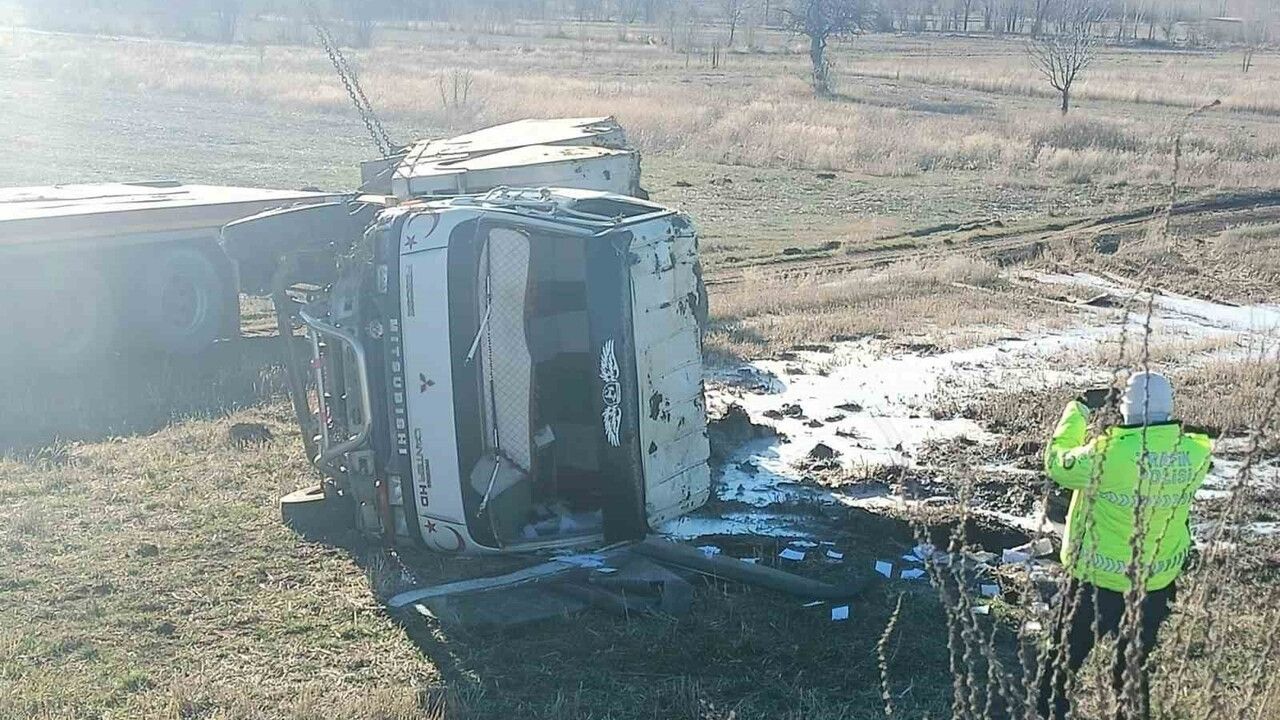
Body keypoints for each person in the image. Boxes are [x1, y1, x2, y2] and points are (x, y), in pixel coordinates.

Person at [1036, 371, 1213, 720]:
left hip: (1095, 582)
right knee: (1133, 670)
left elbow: (1058, 462)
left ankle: (1048, 711)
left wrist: (1080, 408)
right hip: (1154, 584)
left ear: (1125, 408)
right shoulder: (1195, 453)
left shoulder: (1106, 455)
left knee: (1062, 664)